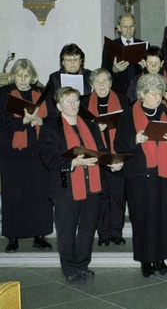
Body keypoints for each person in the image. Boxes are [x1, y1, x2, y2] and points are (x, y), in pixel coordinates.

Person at [39, 87, 123, 284]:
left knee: (88, 228)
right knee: (67, 230)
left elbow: (100, 152)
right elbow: (48, 158)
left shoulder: (90, 125)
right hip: (66, 186)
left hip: (91, 186)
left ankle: (83, 265)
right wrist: (72, 163)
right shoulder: (50, 127)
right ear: (58, 106)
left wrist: (112, 163)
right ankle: (69, 267)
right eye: (67, 101)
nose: (73, 105)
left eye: (76, 100)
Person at [114, 73, 167, 277]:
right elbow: (119, 145)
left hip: (163, 174)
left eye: (159, 93)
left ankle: (161, 260)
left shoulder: (166, 113)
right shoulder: (128, 114)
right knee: (142, 219)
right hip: (139, 176)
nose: (157, 97)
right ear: (142, 95)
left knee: (163, 218)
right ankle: (146, 261)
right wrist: (135, 140)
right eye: (153, 94)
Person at [0, 59, 53, 253]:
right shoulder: (4, 94)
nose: (23, 79)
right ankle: (13, 237)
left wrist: (41, 120)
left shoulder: (40, 94)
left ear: (33, 76)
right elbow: (2, 121)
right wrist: (23, 121)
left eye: (27, 75)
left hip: (37, 153)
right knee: (13, 196)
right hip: (12, 154)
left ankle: (40, 235)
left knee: (39, 195)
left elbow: (52, 119)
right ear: (13, 76)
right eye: (19, 75)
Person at [81, 68, 130, 247]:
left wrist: (122, 157)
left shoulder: (123, 101)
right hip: (97, 157)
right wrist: (95, 130)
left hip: (117, 155)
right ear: (92, 85)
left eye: (105, 81)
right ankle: (103, 234)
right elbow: (81, 131)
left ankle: (116, 232)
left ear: (110, 83)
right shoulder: (84, 103)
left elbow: (128, 130)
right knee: (101, 198)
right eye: (97, 82)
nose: (101, 85)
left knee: (118, 197)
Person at [101, 13, 145, 95]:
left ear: (135, 27)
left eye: (131, 26)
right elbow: (104, 70)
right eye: (125, 27)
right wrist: (114, 70)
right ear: (119, 28)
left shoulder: (143, 45)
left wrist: (145, 68)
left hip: (138, 91)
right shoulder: (110, 46)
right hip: (118, 91)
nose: (128, 30)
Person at [44, 44, 92, 115]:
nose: (72, 63)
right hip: (61, 117)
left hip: (86, 116)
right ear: (63, 62)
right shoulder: (54, 78)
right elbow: (49, 103)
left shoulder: (90, 76)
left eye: (75, 59)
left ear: (81, 61)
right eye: (69, 60)